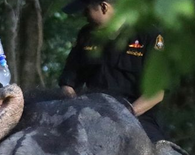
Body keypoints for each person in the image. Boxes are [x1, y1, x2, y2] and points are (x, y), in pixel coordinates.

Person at [58, 0, 168, 142]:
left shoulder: (149, 35)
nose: (84, 15)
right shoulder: (86, 35)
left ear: (104, 7)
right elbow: (68, 83)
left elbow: (156, 93)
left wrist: (125, 114)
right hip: (91, 112)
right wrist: (75, 106)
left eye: (86, 10)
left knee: (157, 151)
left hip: (137, 115)